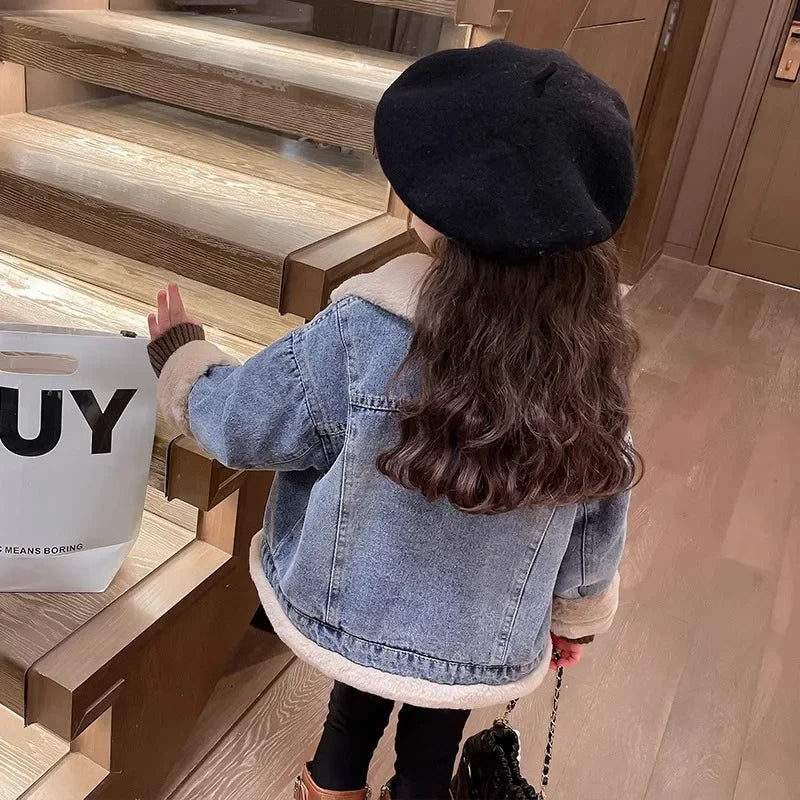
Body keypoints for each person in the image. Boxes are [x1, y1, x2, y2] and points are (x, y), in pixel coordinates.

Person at [147, 41, 640, 800]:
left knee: (353, 711)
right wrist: (575, 614)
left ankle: (331, 784)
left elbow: (243, 424)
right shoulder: (593, 360)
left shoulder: (365, 332)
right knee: (432, 743)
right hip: (478, 633)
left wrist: (184, 361)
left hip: (354, 609)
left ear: (443, 215)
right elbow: (603, 501)